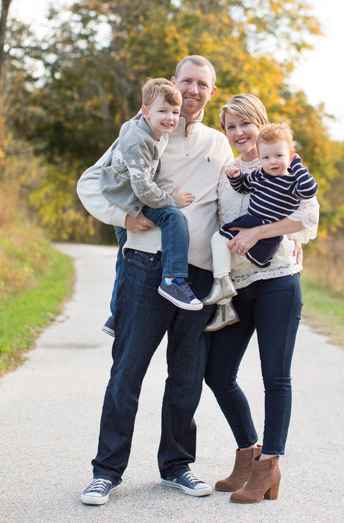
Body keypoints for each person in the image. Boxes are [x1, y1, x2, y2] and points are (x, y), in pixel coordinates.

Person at [77, 55, 234, 505]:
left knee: (186, 376)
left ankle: (177, 466)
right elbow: (91, 182)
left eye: (202, 84)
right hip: (145, 268)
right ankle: (106, 471)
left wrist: (290, 237)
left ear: (211, 92)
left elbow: (233, 205)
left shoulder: (218, 144)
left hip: (198, 276)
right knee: (127, 372)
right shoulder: (142, 131)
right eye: (186, 81)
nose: (193, 90)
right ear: (173, 83)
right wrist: (126, 217)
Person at [204, 94, 319, 504]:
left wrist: (261, 232)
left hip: (276, 282)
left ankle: (269, 465)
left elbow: (309, 217)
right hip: (237, 287)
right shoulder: (227, 170)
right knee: (217, 373)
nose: (238, 134)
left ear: (261, 123)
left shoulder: (283, 162)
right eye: (230, 127)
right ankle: (248, 453)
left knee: (275, 377)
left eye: (244, 125)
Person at [100, 77, 202, 315]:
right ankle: (173, 280)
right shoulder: (137, 141)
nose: (170, 118)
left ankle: (116, 316)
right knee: (173, 218)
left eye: (175, 112)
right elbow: (143, 189)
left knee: (123, 263)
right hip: (127, 198)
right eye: (163, 111)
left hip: (126, 195)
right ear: (145, 112)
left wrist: (159, 85)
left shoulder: (151, 129)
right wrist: (172, 200)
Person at [202, 122, 318, 312]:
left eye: (279, 156)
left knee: (230, 246)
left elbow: (308, 191)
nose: (272, 162)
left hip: (267, 236)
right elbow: (243, 187)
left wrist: (296, 163)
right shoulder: (260, 174)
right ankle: (223, 287)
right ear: (260, 156)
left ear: (290, 154)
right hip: (250, 221)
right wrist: (235, 177)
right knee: (219, 240)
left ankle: (223, 290)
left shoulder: (292, 179)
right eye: (266, 157)